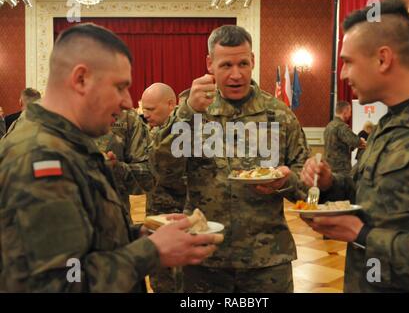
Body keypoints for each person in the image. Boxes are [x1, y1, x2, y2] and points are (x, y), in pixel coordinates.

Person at [0, 23, 221, 292]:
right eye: (119, 87)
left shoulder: (67, 142)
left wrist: (141, 234)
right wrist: (151, 251)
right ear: (81, 79)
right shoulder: (39, 157)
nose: (129, 102)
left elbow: (84, 239)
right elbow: (60, 284)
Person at [300, 0, 409, 292]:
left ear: (383, 59)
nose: (342, 74)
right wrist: (331, 184)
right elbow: (367, 194)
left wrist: (364, 234)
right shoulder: (387, 125)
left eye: (347, 62)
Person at [150, 25, 311, 292]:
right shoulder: (193, 112)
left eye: (243, 63)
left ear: (253, 61)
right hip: (202, 257)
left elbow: (308, 186)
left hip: (266, 261)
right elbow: (160, 171)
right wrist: (187, 114)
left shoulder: (279, 116)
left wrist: (285, 181)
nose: (236, 74)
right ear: (210, 64)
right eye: (226, 65)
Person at [141, 82, 186, 293]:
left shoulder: (185, 129)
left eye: (150, 109)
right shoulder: (155, 130)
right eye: (144, 109)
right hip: (157, 219)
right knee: (160, 280)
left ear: (170, 104)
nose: (145, 114)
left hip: (181, 218)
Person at [94, 108, 154, 214]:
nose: (127, 101)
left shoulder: (127, 117)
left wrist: (117, 167)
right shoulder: (64, 112)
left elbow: (146, 174)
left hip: (122, 212)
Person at [324, 101, 366, 175]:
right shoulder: (341, 126)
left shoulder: (329, 126)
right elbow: (355, 141)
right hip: (341, 168)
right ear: (345, 112)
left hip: (329, 166)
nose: (350, 115)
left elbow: (338, 144)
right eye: (350, 112)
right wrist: (361, 141)